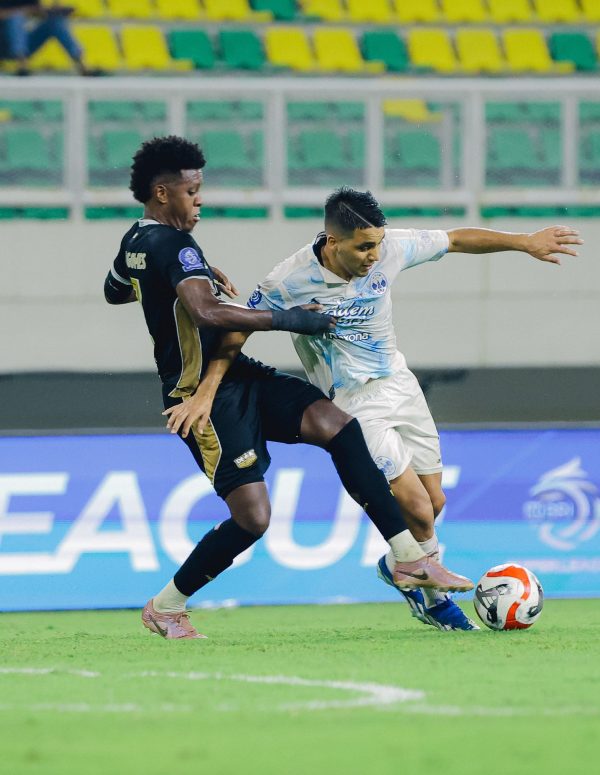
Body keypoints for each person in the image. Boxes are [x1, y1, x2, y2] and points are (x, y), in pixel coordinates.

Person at [104, 137, 473, 640]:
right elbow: (208, 313)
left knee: (339, 426)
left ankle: (408, 557)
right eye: (192, 191)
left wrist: (184, 277)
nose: (200, 199)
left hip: (240, 373)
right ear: (163, 193)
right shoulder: (175, 244)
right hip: (198, 393)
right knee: (253, 519)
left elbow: (115, 290)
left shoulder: (135, 241)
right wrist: (291, 319)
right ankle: (166, 606)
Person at [167, 187, 582, 632]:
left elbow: (457, 238)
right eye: (364, 247)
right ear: (332, 242)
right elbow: (235, 336)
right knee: (419, 511)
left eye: (378, 244)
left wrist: (525, 241)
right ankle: (431, 596)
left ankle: (395, 565)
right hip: (355, 401)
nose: (374, 255)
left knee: (434, 502)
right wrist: (207, 391)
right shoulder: (287, 281)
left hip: (401, 385)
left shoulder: (390, 249)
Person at [0, 1, 94, 75]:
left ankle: (81, 65)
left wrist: (52, 11)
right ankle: (21, 64)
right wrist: (24, 11)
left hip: (20, 44)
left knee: (55, 22)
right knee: (16, 19)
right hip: (3, 42)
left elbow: (36, 12)